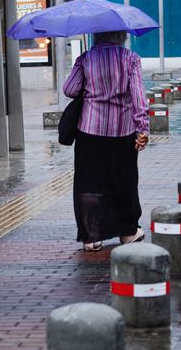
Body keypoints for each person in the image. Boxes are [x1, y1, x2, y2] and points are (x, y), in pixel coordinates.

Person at [62, 30, 150, 252]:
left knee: (89, 184)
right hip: (122, 131)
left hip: (89, 131)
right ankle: (128, 233)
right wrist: (143, 129)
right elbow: (139, 97)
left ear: (97, 36)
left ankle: (91, 238)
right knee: (124, 181)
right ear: (121, 36)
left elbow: (69, 89)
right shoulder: (131, 59)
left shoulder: (85, 59)